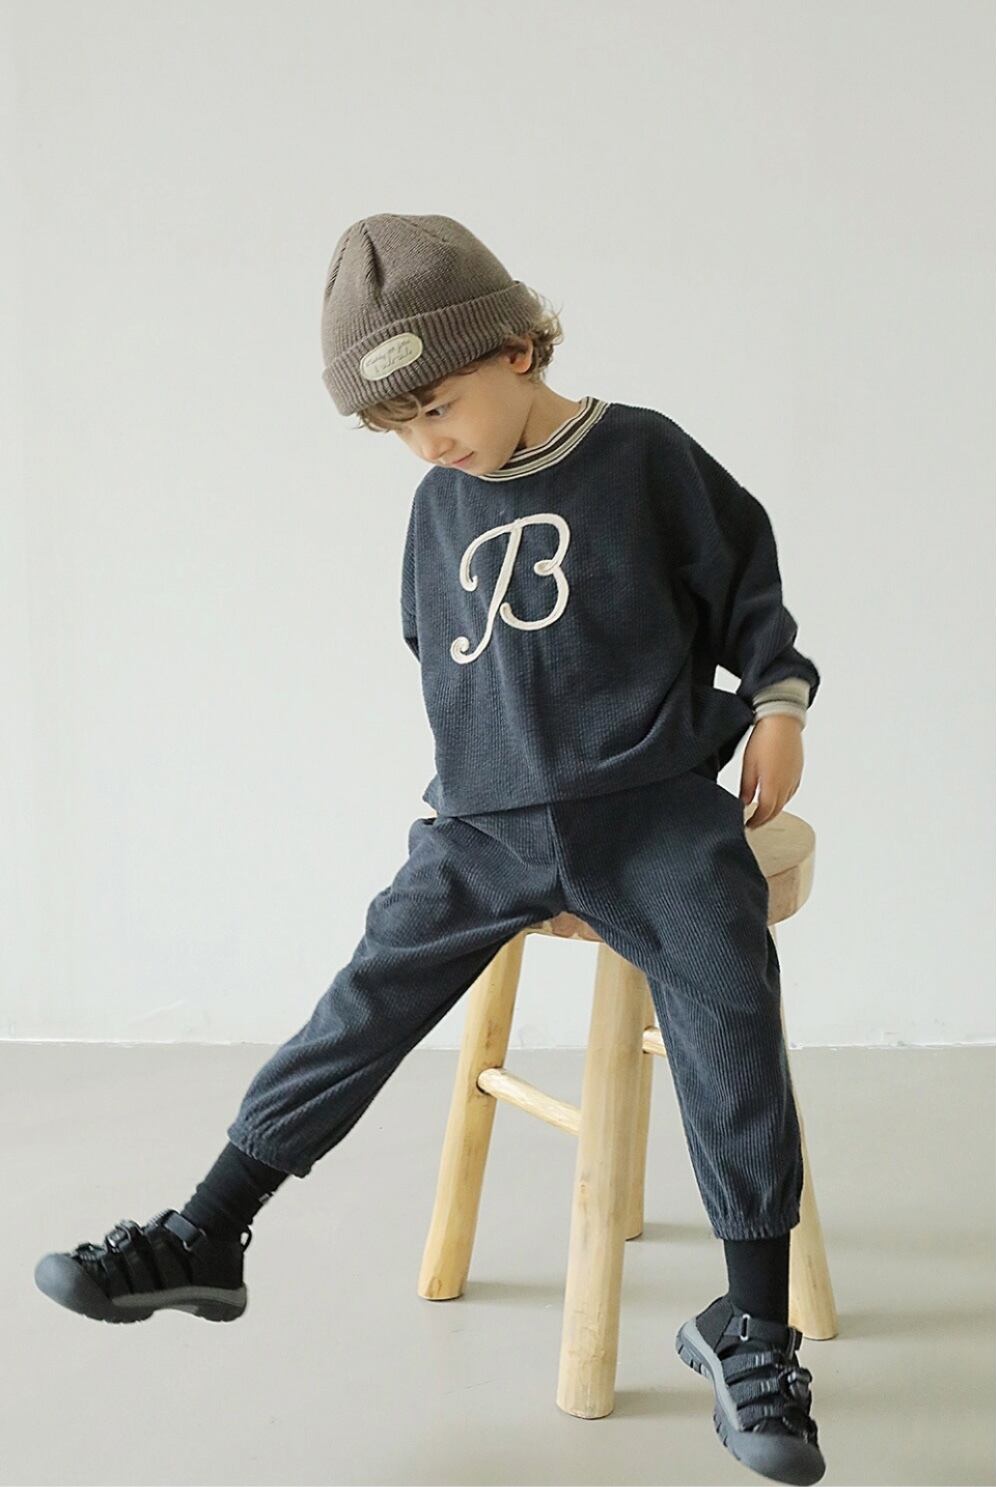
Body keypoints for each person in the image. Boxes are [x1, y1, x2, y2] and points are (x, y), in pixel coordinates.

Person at [35, 215, 825, 1485]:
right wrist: (494, 791)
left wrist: (777, 704)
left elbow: (748, 589)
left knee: (729, 1000)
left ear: (516, 347)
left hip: (650, 809)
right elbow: (438, 652)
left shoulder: (642, 455)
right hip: (483, 826)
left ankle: (755, 1325)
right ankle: (209, 1228)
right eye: (395, 428)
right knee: (365, 995)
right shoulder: (434, 505)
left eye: (439, 407)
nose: (426, 443)